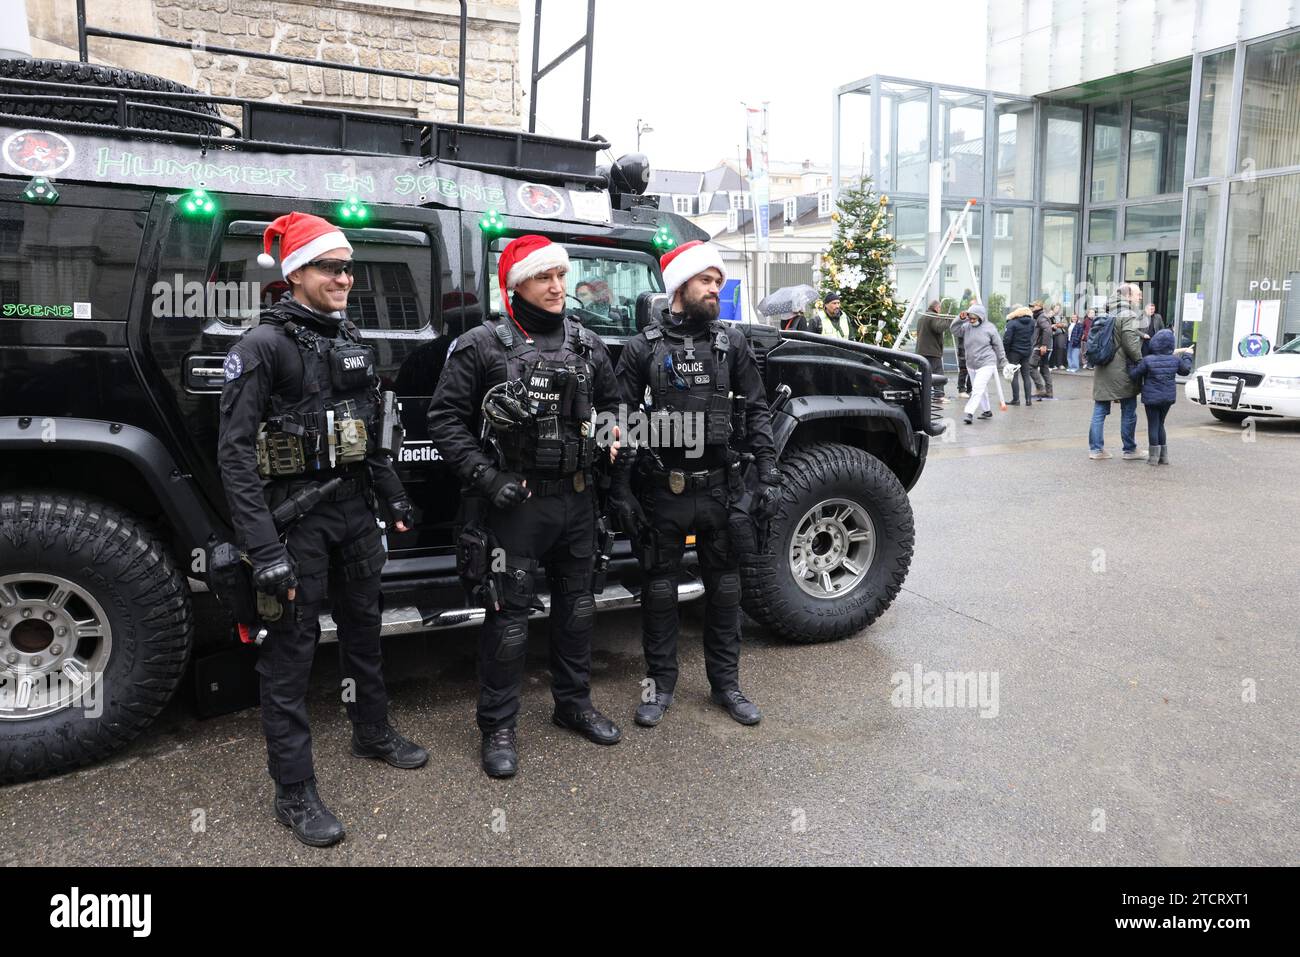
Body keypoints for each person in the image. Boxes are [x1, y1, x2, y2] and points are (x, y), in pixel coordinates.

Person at [218, 211, 427, 848]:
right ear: (296, 273)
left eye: (347, 267)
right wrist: (263, 550)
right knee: (289, 656)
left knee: (365, 629)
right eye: (330, 267)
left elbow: (368, 435)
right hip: (294, 522)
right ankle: (295, 791)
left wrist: (393, 498)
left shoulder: (348, 338)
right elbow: (234, 455)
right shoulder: (261, 347)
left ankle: (372, 731)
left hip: (354, 512)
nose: (345, 277)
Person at [426, 234, 623, 778]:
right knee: (508, 620)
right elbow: (444, 420)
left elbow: (613, 404)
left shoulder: (588, 343)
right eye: (544, 277)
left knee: (579, 610)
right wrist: (488, 479)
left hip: (578, 500)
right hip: (515, 508)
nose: (557, 286)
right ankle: (498, 726)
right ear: (518, 284)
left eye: (561, 275)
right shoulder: (482, 345)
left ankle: (573, 705)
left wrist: (609, 433)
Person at [610, 241, 780, 728]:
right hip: (662, 489)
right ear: (680, 285)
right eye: (706, 280)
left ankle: (727, 685)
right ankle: (658, 687)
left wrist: (767, 476)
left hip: (721, 490)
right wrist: (620, 489)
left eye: (719, 282)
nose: (715, 290)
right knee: (659, 592)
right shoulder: (643, 346)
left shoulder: (733, 343)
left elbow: (757, 410)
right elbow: (619, 416)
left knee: (726, 590)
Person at [1089, 282, 1147, 460]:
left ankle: (1096, 450)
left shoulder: (1106, 311)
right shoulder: (1128, 314)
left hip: (1103, 366)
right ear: (1128, 296)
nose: (1140, 297)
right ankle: (1130, 449)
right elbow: (1130, 343)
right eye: (1138, 294)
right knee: (1129, 408)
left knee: (1100, 408)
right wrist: (1141, 361)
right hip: (1121, 369)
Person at [1127, 328, 1194, 465]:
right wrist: (1188, 355)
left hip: (1151, 398)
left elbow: (1134, 375)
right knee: (1161, 424)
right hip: (1167, 398)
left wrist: (1130, 364)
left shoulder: (1148, 360)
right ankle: (1163, 457)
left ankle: (1153, 458)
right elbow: (1185, 370)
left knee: (1153, 424)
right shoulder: (1174, 360)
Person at [951, 304, 1006, 424]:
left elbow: (998, 346)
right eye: (969, 317)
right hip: (971, 364)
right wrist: (959, 318)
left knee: (977, 388)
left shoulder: (990, 328)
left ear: (981, 317)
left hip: (987, 362)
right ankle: (987, 411)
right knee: (981, 389)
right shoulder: (966, 327)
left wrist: (1004, 362)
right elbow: (954, 330)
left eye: (974, 318)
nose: (971, 320)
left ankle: (969, 413)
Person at [914, 299, 951, 404]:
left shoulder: (922, 317)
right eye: (939, 308)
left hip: (921, 351)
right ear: (936, 308)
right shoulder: (933, 316)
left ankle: (922, 396)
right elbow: (938, 328)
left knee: (923, 375)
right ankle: (939, 396)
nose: (940, 310)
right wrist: (948, 320)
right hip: (932, 352)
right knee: (937, 374)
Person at [1002, 305, 1037, 407]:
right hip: (1026, 351)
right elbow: (1032, 336)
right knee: (1026, 375)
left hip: (1014, 352)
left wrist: (1006, 351)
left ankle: (1016, 399)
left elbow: (1007, 339)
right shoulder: (1031, 322)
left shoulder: (1012, 323)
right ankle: (1028, 400)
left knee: (1014, 376)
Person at [1028, 300, 1055, 398]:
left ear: (1039, 306)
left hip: (1040, 347)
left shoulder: (1041, 317)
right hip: (1043, 347)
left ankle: (1040, 389)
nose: (1031, 307)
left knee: (1031, 367)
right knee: (1044, 368)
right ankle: (1049, 391)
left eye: (1033, 306)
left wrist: (1043, 345)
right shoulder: (1040, 316)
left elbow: (1047, 330)